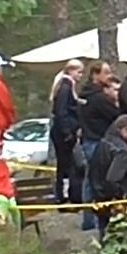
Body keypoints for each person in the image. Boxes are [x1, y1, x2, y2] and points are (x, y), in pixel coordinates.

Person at [77, 65, 122, 230]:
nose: (109, 76)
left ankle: (88, 219)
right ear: (96, 75)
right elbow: (118, 116)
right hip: (98, 141)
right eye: (106, 73)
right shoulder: (99, 98)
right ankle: (97, 220)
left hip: (88, 140)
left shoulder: (84, 94)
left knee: (90, 180)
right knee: (99, 183)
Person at [87, 112, 127, 240]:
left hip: (99, 197)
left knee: (105, 236)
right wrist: (121, 197)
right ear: (125, 129)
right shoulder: (122, 151)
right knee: (121, 239)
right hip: (116, 202)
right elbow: (113, 178)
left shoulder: (104, 142)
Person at [48, 60, 85, 203]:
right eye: (78, 72)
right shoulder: (65, 87)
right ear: (70, 71)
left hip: (64, 131)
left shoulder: (68, 87)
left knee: (66, 165)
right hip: (64, 133)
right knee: (66, 166)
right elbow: (61, 111)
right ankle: (62, 195)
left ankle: (64, 193)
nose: (80, 75)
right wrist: (67, 131)